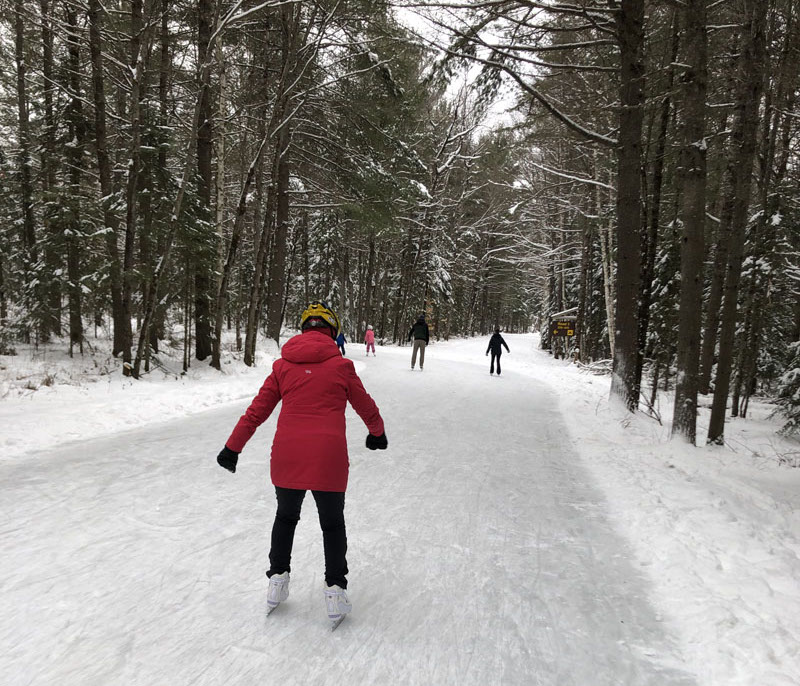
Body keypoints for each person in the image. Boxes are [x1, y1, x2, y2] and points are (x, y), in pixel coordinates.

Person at [215, 301, 388, 626]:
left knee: (285, 517)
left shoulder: (283, 367)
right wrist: (377, 434)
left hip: (287, 456)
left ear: (303, 330)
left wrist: (232, 448)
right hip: (328, 457)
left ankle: (277, 582)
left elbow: (256, 412)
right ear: (332, 332)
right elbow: (366, 406)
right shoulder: (342, 367)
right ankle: (335, 590)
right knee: (332, 524)